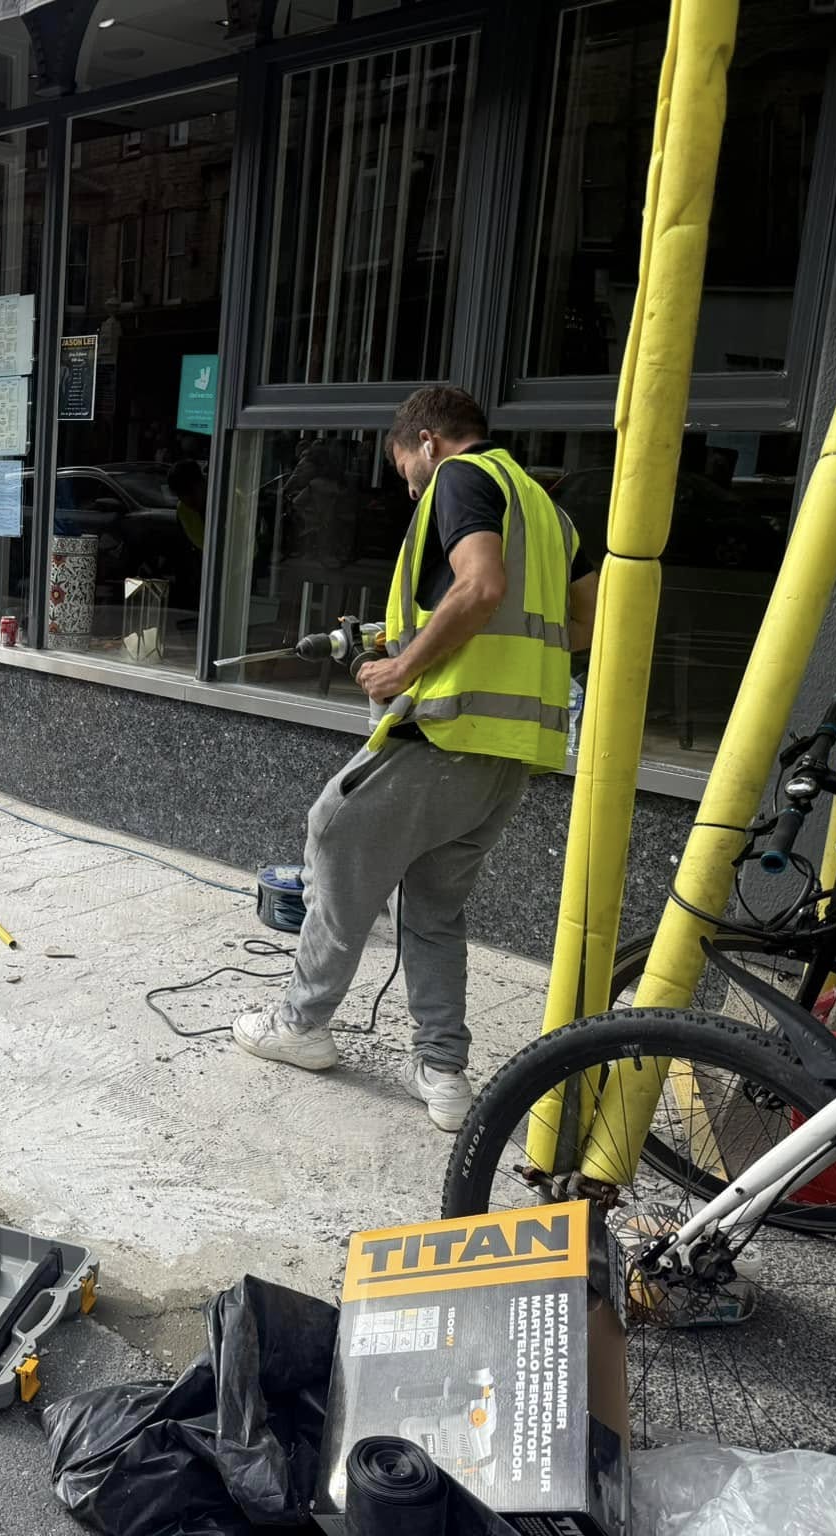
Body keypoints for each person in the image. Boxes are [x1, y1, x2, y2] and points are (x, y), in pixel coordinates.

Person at [233, 387, 598, 1130]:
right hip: (513, 752)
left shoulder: (465, 477)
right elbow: (582, 623)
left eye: (408, 471)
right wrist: (420, 641)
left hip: (447, 731)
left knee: (333, 834)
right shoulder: (551, 514)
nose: (410, 488)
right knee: (433, 911)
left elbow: (483, 585)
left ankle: (301, 1025)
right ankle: (444, 1074)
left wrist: (406, 669)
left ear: (428, 441)